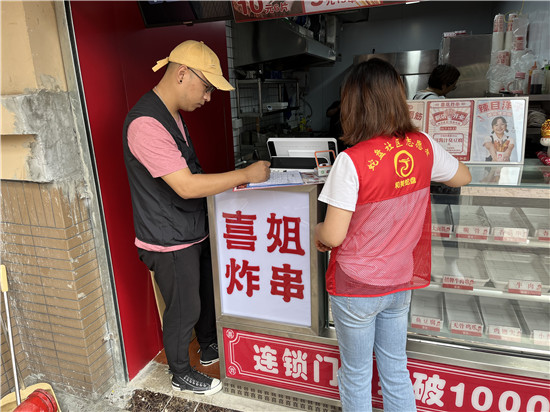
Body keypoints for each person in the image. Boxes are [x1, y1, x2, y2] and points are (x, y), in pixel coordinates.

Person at [314, 58, 471, 412]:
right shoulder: (423, 145)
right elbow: (462, 176)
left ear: (354, 104)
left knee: (356, 375)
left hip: (356, 286)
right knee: (396, 369)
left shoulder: (352, 161)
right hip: (399, 281)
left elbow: (333, 236)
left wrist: (316, 231)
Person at [122, 40, 270, 396]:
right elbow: (186, 186)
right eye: (206, 88)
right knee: (183, 309)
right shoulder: (145, 125)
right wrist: (244, 174)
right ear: (182, 74)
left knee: (203, 295)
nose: (207, 98)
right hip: (168, 239)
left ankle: (207, 345)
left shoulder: (172, 114)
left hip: (191, 228)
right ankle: (180, 372)